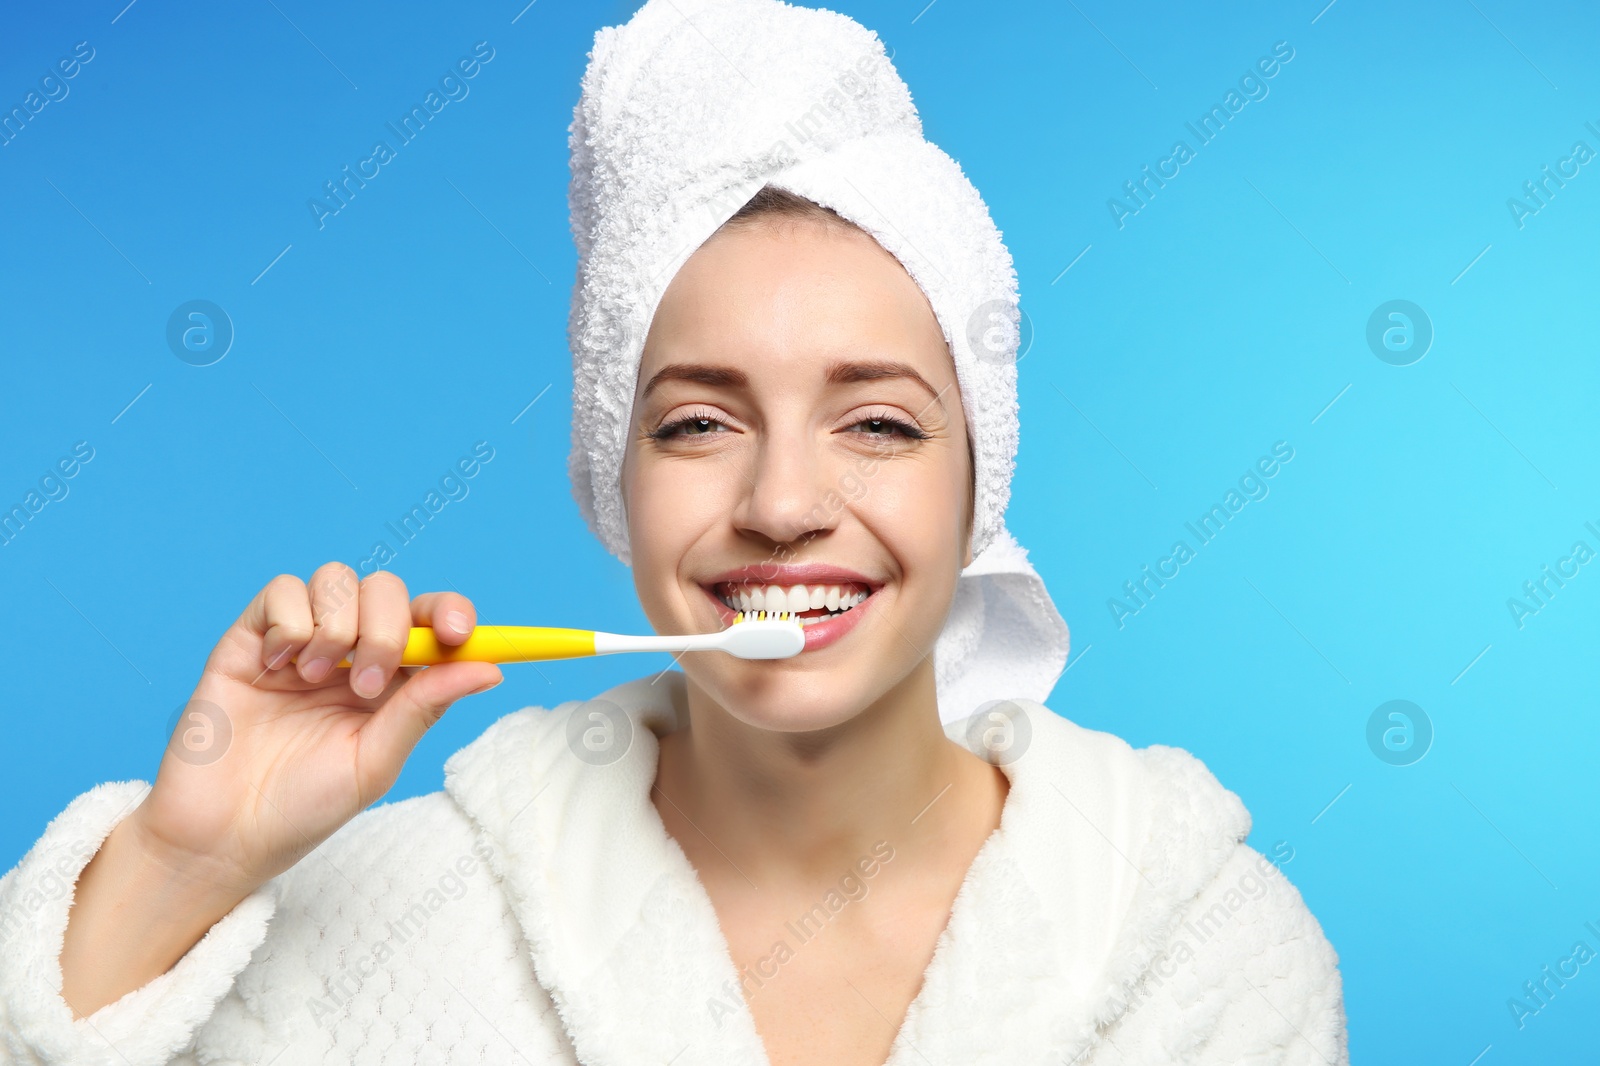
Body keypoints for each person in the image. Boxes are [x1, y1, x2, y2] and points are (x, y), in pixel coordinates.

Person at [0, 2, 1348, 1064]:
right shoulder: (389, 929)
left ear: (976, 482)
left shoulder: (1206, 947)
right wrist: (180, 868)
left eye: (876, 423)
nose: (779, 501)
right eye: (700, 423)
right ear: (614, 480)